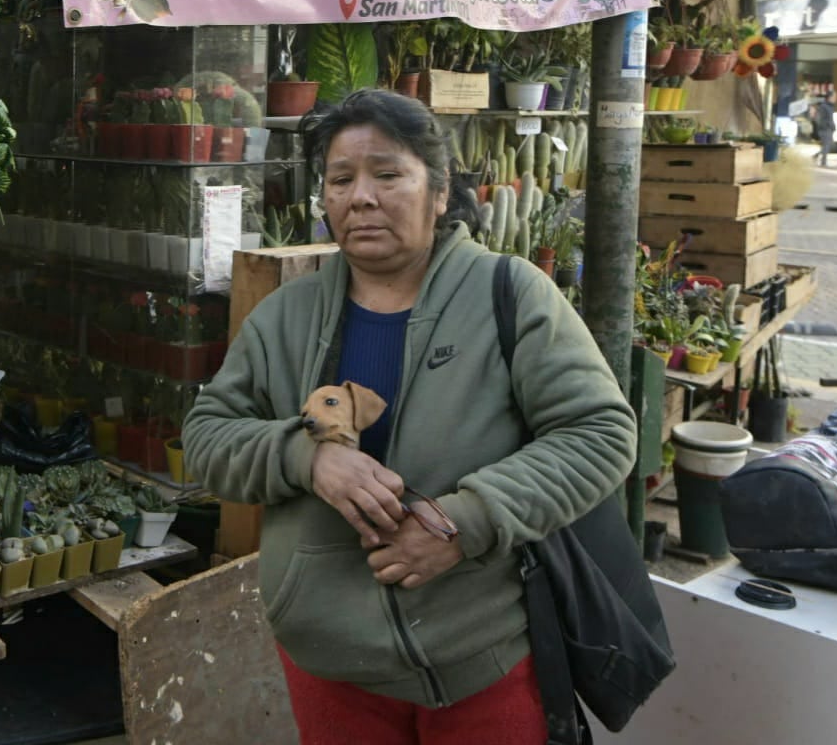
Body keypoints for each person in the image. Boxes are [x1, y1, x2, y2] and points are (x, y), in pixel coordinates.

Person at [184, 90, 636, 745]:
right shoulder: (284, 316)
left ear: (438, 186)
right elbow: (206, 437)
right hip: (329, 661)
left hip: (479, 655)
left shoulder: (508, 295)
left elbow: (599, 433)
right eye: (340, 180)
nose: (360, 197)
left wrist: (465, 522)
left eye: (387, 174)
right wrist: (305, 455)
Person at [814, 95, 836, 167]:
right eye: (833, 97)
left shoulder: (830, 106)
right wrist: (823, 126)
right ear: (829, 98)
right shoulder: (824, 107)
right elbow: (820, 118)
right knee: (826, 145)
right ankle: (823, 162)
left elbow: (830, 118)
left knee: (828, 145)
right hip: (825, 128)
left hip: (828, 128)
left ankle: (816, 156)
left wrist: (833, 126)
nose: (835, 98)